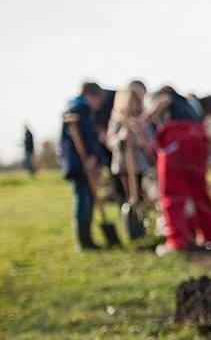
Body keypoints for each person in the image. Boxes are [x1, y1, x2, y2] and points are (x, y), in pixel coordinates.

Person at [145, 87, 211, 255]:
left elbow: (164, 100)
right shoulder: (190, 109)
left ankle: (177, 242)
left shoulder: (169, 97)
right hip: (197, 141)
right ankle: (209, 237)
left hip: (176, 142)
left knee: (172, 196)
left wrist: (147, 116)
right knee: (200, 194)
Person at [59, 82, 107, 250]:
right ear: (90, 95)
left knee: (88, 200)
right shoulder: (78, 109)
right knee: (83, 201)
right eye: (98, 101)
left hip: (83, 162)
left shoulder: (81, 109)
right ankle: (83, 241)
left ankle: (87, 239)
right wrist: (92, 157)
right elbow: (84, 137)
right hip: (78, 163)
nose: (98, 106)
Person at [106, 80, 155, 203]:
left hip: (140, 165)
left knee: (140, 196)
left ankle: (140, 217)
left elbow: (151, 142)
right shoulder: (117, 120)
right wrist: (120, 138)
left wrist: (140, 139)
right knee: (125, 197)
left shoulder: (143, 120)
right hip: (123, 165)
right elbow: (110, 141)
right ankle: (128, 218)